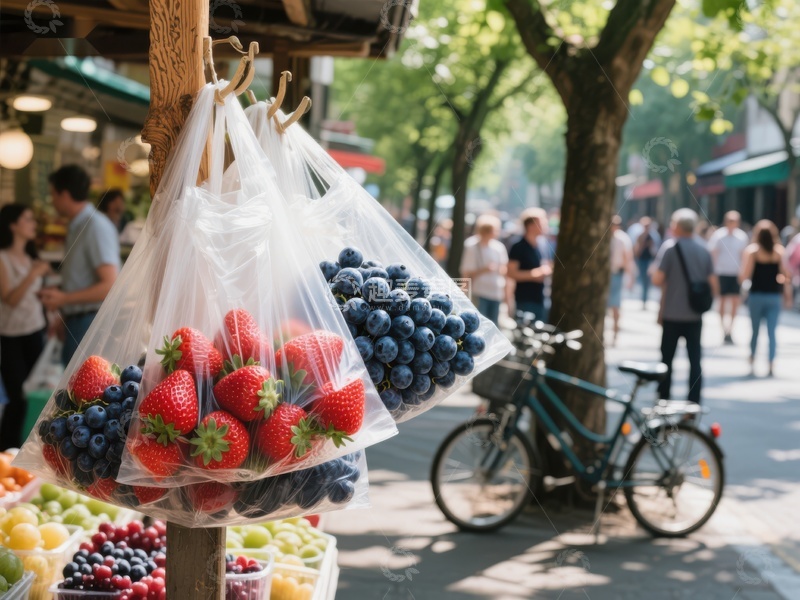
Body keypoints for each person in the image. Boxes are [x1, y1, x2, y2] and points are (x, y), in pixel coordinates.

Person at [39, 165, 120, 366]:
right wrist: (65, 312)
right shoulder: (78, 225)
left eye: (53, 194)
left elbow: (110, 285)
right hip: (77, 320)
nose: (52, 200)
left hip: (90, 323)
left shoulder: (95, 226)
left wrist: (63, 299)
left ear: (65, 195)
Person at [651, 209, 717, 403]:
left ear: (678, 227)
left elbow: (657, 279)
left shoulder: (670, 248)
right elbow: (714, 284)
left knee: (666, 359)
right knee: (695, 360)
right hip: (695, 315)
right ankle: (693, 402)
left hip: (671, 314)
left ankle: (663, 399)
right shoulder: (704, 249)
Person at [0, 204, 50, 450]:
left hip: (36, 330)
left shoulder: (32, 257)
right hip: (12, 336)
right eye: (27, 219)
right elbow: (10, 298)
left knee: (35, 395)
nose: (33, 224)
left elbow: (32, 298)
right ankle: (7, 448)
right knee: (17, 396)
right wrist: (33, 274)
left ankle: (31, 447)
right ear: (13, 225)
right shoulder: (3, 258)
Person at [740, 220, 793, 376]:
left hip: (756, 296)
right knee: (772, 332)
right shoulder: (779, 251)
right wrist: (787, 295)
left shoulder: (752, 251)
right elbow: (785, 277)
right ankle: (771, 362)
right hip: (773, 296)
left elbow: (745, 275)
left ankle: (752, 358)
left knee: (755, 331)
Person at [708, 211, 749, 344]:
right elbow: (713, 254)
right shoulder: (718, 235)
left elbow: (744, 256)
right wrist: (712, 273)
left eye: (735, 221)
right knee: (722, 301)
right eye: (730, 221)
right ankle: (723, 329)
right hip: (721, 273)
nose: (732, 223)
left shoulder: (742, 237)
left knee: (735, 302)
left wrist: (744, 273)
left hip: (735, 273)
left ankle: (730, 329)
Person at [460, 215, 508, 324]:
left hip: (496, 293)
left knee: (494, 324)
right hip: (479, 292)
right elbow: (466, 271)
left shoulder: (499, 247)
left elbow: (504, 271)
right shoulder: (472, 245)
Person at [508, 208, 551, 321]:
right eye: (541, 223)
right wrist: (533, 274)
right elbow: (511, 273)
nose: (545, 226)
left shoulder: (543, 245)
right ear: (530, 226)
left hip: (542, 299)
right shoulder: (518, 246)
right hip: (524, 300)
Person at [607, 216, 634, 345]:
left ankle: (615, 334)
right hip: (606, 275)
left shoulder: (622, 239)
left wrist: (630, 277)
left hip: (617, 274)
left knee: (615, 306)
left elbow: (628, 258)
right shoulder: (605, 238)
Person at [631, 217, 660, 308]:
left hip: (650, 260)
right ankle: (643, 299)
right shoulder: (639, 235)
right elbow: (636, 249)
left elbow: (656, 250)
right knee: (642, 279)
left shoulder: (654, 236)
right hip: (641, 260)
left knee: (647, 280)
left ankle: (645, 299)